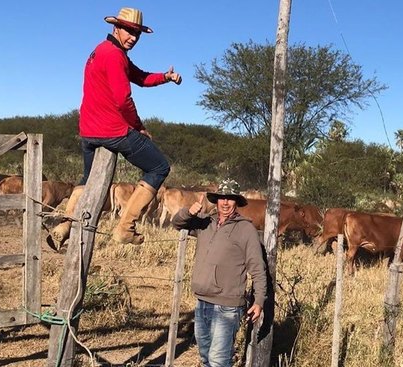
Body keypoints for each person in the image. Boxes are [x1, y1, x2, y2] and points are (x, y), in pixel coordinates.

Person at [49, 7, 181, 248]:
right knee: (159, 167)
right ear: (116, 28)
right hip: (112, 131)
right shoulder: (114, 55)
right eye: (129, 31)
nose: (133, 37)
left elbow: (140, 77)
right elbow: (123, 100)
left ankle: (65, 224)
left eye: (137, 34)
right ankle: (125, 227)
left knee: (88, 180)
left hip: (88, 132)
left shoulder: (102, 51)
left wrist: (165, 77)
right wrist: (139, 127)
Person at [172, 178, 267, 367]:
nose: (225, 203)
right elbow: (177, 224)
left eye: (230, 199)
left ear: (237, 202)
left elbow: (257, 267)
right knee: (206, 357)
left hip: (227, 307)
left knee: (218, 360)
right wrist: (187, 211)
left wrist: (259, 301)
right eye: (222, 198)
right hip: (202, 302)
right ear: (216, 200)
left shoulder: (245, 229)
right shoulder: (205, 223)